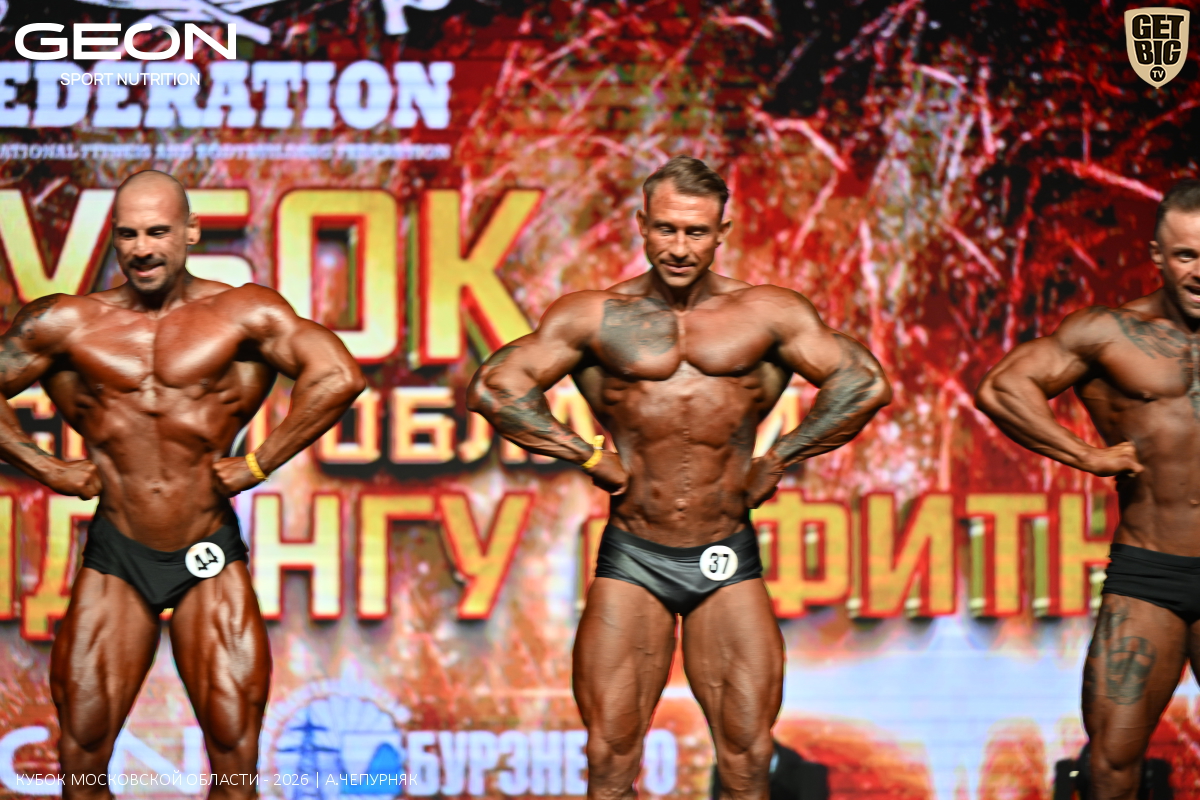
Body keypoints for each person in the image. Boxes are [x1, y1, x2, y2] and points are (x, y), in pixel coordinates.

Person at [467, 156, 891, 799]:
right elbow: (496, 387)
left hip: (725, 554)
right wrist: (585, 455)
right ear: (641, 225)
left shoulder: (768, 313)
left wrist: (780, 457)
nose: (680, 247)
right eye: (666, 229)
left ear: (723, 232)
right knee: (610, 758)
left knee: (748, 759)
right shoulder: (595, 316)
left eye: (696, 232)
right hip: (635, 555)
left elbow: (863, 382)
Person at [0, 170, 365, 798]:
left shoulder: (242, 313)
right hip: (117, 553)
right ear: (114, 239)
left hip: (207, 551)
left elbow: (337, 375)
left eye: (158, 232)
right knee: (81, 762)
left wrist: (257, 464)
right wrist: (47, 467)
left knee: (234, 766)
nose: (142, 248)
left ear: (191, 232)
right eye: (128, 235)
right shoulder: (66, 323)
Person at [976, 179, 1200, 800]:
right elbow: (1002, 387)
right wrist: (1085, 454)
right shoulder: (1110, 332)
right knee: (1110, 764)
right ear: (1158, 256)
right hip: (1149, 572)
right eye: (1186, 255)